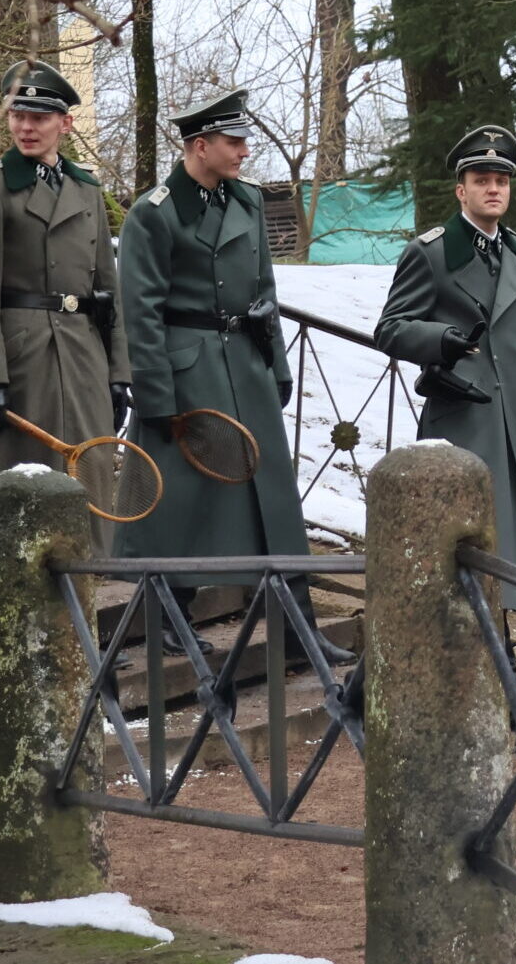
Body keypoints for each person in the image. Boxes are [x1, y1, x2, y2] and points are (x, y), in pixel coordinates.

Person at [115, 90, 349, 662]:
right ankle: (168, 616)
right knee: (186, 500)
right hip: (187, 368)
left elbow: (266, 293)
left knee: (274, 497)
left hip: (245, 364)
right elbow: (139, 309)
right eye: (234, 141)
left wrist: (278, 362)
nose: (245, 151)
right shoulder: (155, 211)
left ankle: (297, 627)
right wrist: (153, 391)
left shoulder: (245, 202)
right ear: (200, 145)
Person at [373, 125, 516, 612]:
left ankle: (501, 651)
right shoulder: (430, 252)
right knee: (462, 541)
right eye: (482, 179)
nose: (493, 188)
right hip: (463, 415)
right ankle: (463, 655)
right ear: (462, 190)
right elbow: (390, 329)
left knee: (508, 536)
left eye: (502, 180)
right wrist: (442, 342)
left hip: (513, 418)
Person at [0, 60, 129, 563]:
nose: (26, 127)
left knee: (87, 480)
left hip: (82, 353)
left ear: (64, 124)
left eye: (40, 117)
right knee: (16, 482)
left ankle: (85, 589)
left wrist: (118, 372)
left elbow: (107, 289)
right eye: (18, 115)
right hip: (22, 357)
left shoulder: (87, 190)